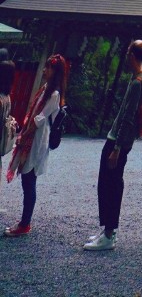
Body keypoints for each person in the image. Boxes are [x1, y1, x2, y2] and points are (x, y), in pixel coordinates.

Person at [84, 36, 142, 251]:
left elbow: (128, 117)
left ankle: (109, 233)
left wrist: (117, 148)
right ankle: (108, 231)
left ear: (132, 55)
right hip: (123, 139)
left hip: (118, 141)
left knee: (109, 184)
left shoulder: (137, 82)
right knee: (112, 183)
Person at [4, 54, 67, 239]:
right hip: (34, 137)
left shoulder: (54, 94)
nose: (45, 70)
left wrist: (24, 136)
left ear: (55, 72)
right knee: (27, 180)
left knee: (29, 180)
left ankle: (25, 223)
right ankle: (24, 221)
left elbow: (39, 120)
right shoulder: (47, 89)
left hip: (38, 139)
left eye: (48, 68)